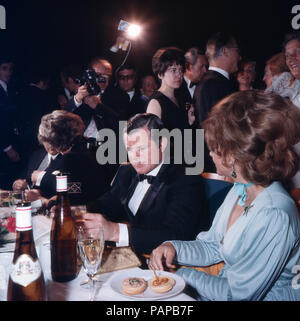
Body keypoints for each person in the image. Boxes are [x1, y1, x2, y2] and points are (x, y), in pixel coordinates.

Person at [149, 90, 300, 301]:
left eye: (215, 148)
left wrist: (181, 275)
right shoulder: (241, 188)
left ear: (235, 155)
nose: (210, 153)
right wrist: (172, 248)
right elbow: (212, 246)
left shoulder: (275, 213)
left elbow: (237, 295)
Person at [75, 113, 208, 255]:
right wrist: (75, 211)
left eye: (142, 148)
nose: (135, 157)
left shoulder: (186, 178)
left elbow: (176, 235)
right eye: (130, 149)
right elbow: (107, 204)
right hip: (133, 255)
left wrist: (115, 232)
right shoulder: (128, 171)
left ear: (162, 144)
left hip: (171, 265)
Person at [24, 110, 110, 207]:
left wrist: (42, 178)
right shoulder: (78, 148)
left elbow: (75, 189)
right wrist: (40, 192)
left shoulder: (74, 156)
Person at [193, 32, 241, 172]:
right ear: (225, 51)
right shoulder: (215, 84)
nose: (239, 56)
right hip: (221, 168)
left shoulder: (210, 82)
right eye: (237, 50)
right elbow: (221, 130)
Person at [146, 47, 195, 132]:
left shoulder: (180, 98)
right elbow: (152, 140)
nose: (179, 75)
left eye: (181, 70)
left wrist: (189, 122)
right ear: (160, 74)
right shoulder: (156, 102)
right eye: (173, 70)